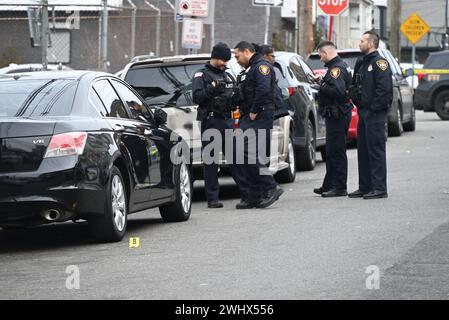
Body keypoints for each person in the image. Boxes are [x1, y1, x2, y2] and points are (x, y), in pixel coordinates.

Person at [233, 41, 284, 209]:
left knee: (248, 151)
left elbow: (263, 89)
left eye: (237, 55)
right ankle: (254, 195)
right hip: (251, 115)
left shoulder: (262, 66)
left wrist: (255, 110)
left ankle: (271, 186)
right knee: (247, 153)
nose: (236, 59)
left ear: (246, 52)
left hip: (259, 115)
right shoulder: (251, 67)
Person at [348, 30, 393, 199]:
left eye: (362, 41)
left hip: (375, 114)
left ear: (371, 43)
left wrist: (373, 108)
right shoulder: (361, 62)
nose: (359, 44)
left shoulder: (380, 63)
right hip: (363, 112)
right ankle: (365, 186)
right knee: (364, 151)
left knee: (375, 150)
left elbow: (384, 89)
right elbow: (355, 86)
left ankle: (379, 188)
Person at [192, 42, 236, 208]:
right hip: (211, 121)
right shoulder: (201, 75)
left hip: (227, 120)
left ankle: (246, 192)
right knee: (211, 162)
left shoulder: (227, 75)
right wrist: (212, 87)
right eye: (223, 60)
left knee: (236, 159)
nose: (225, 63)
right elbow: (197, 97)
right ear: (215, 57)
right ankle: (212, 198)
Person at [312, 41, 352, 198]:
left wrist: (322, 85)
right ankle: (329, 184)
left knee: (337, 150)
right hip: (335, 114)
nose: (320, 58)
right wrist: (322, 82)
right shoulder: (335, 67)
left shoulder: (336, 69)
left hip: (338, 114)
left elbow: (338, 91)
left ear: (325, 53)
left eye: (320, 55)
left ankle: (340, 187)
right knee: (330, 150)